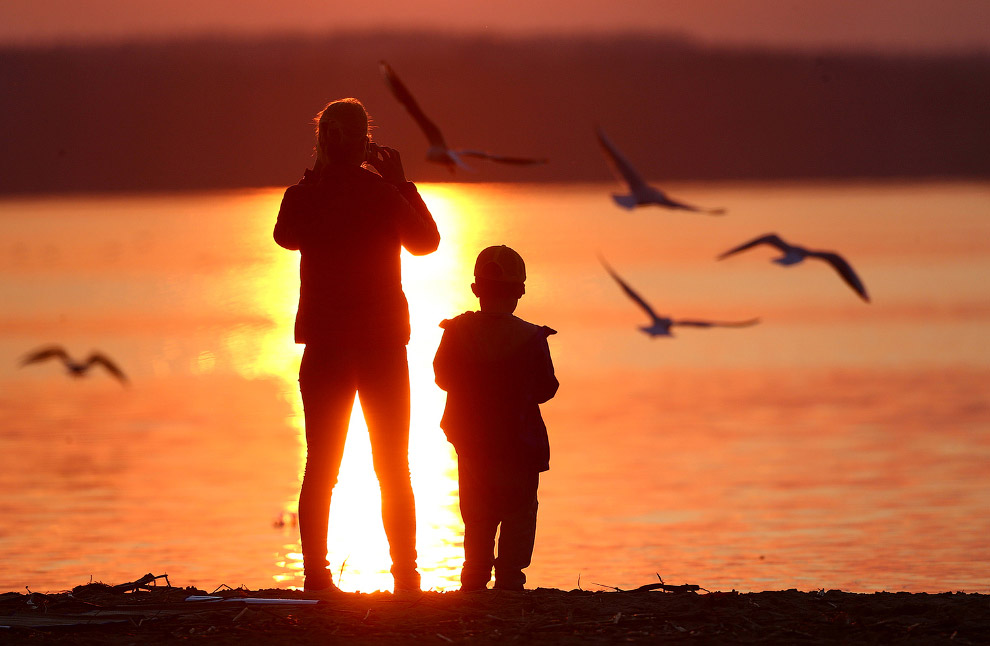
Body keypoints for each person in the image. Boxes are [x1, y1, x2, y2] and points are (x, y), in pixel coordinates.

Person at [274, 98, 440, 593]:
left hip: (326, 349)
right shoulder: (383, 195)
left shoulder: (304, 197)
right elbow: (427, 241)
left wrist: (317, 178)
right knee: (393, 465)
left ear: (321, 142)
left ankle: (316, 577)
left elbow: (285, 235)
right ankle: (406, 577)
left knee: (321, 466)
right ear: (365, 143)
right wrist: (400, 182)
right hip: (381, 349)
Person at [433, 245, 559, 591]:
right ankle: (509, 581)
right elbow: (546, 389)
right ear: (520, 291)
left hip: (472, 444)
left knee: (477, 514)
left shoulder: (456, 331)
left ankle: (473, 579)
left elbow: (442, 377)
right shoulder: (533, 337)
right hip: (521, 446)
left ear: (476, 289)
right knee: (519, 513)